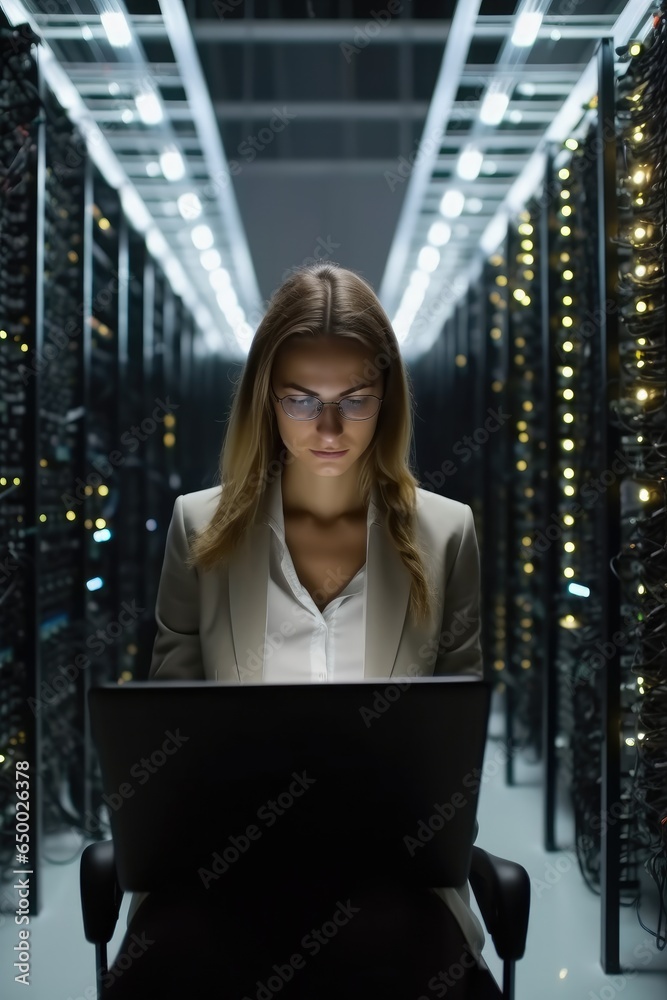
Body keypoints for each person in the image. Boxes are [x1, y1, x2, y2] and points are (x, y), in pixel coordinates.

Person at [103, 262, 496, 999]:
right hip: (222, 867)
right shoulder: (199, 528)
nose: (326, 428)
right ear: (264, 400)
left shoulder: (447, 535)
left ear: (386, 400)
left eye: (353, 400)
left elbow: (452, 756)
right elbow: (170, 744)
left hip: (389, 874)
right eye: (300, 400)